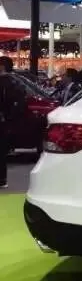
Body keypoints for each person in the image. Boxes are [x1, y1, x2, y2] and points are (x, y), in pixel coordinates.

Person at [0, 56, 27, 189]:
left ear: (2, 66)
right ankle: (2, 179)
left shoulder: (4, 82)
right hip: (7, 121)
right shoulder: (17, 82)